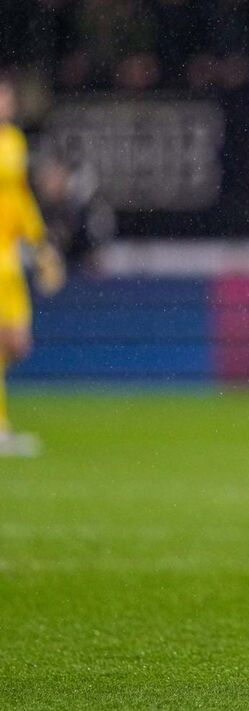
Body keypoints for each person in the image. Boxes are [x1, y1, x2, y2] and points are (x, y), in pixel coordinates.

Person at [0, 73, 65, 457]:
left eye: (6, 96)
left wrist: (39, 243)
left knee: (16, 343)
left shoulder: (13, 141)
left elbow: (20, 199)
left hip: (8, 255)